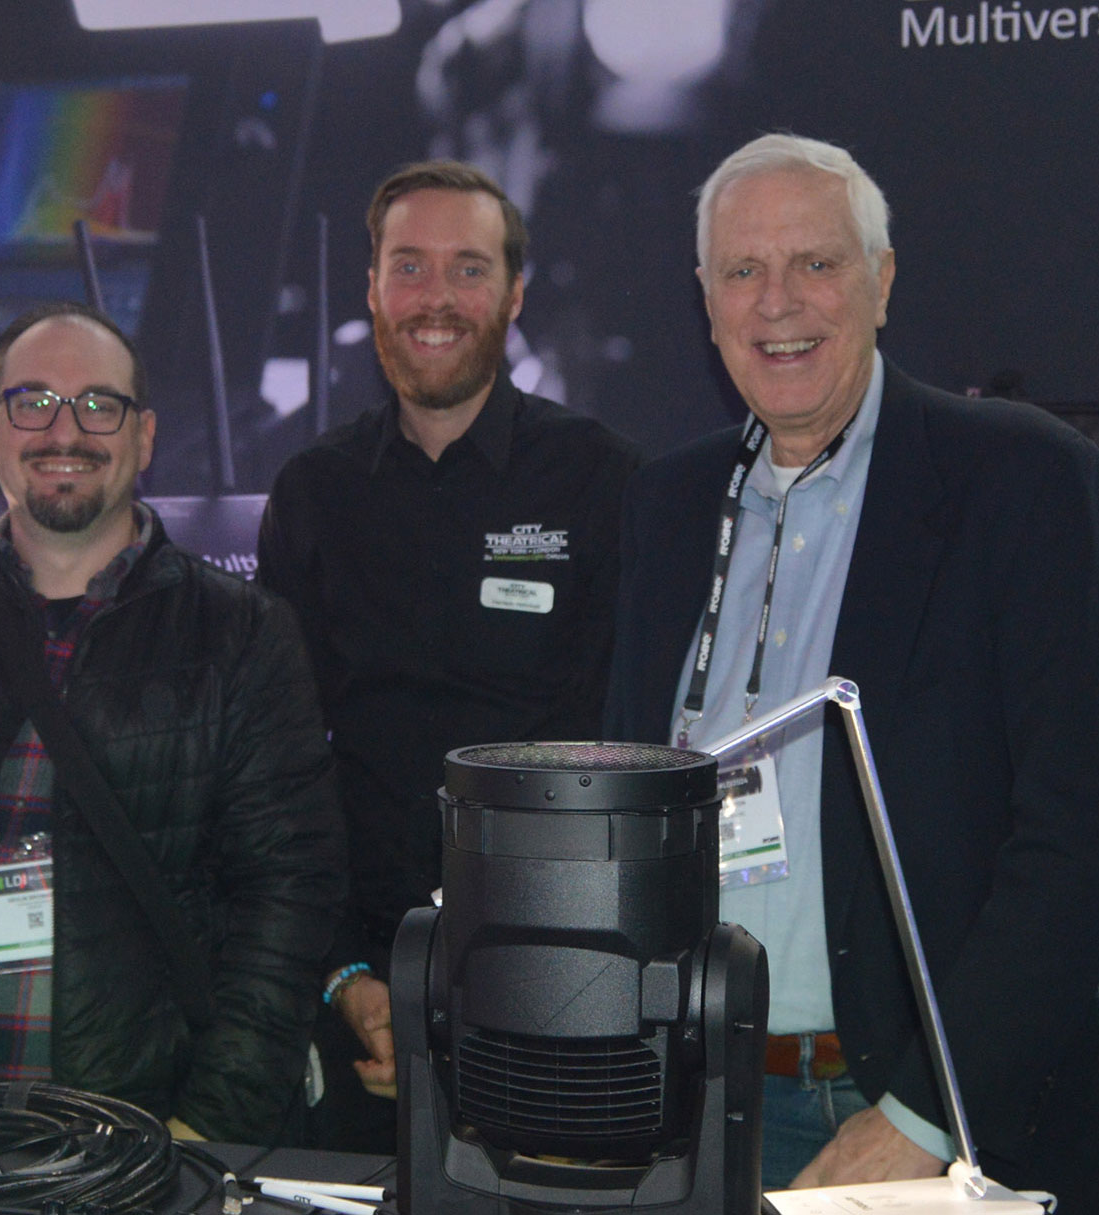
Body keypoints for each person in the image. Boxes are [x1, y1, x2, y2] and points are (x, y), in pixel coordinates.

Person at [604, 134, 1099, 1206]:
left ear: (883, 282)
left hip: (933, 1127)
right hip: (699, 1109)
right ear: (706, 300)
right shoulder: (665, 507)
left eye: (817, 263)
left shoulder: (1022, 481)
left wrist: (918, 1120)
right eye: (743, 271)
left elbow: (1088, 833)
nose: (778, 304)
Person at [0, 302, 345, 1144]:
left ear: (145, 435)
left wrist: (205, 1125)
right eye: (34, 402)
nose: (66, 429)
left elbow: (288, 900)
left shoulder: (241, 635)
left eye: (99, 404)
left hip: (133, 1136)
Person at [255, 161, 641, 1151]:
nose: (436, 299)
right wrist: (346, 979)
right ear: (372, 291)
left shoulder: (605, 482)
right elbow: (281, 772)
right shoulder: (312, 494)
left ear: (514, 294)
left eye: (468, 270)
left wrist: (545, 985)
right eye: (410, 267)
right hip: (361, 996)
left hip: (556, 990)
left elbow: (630, 759)